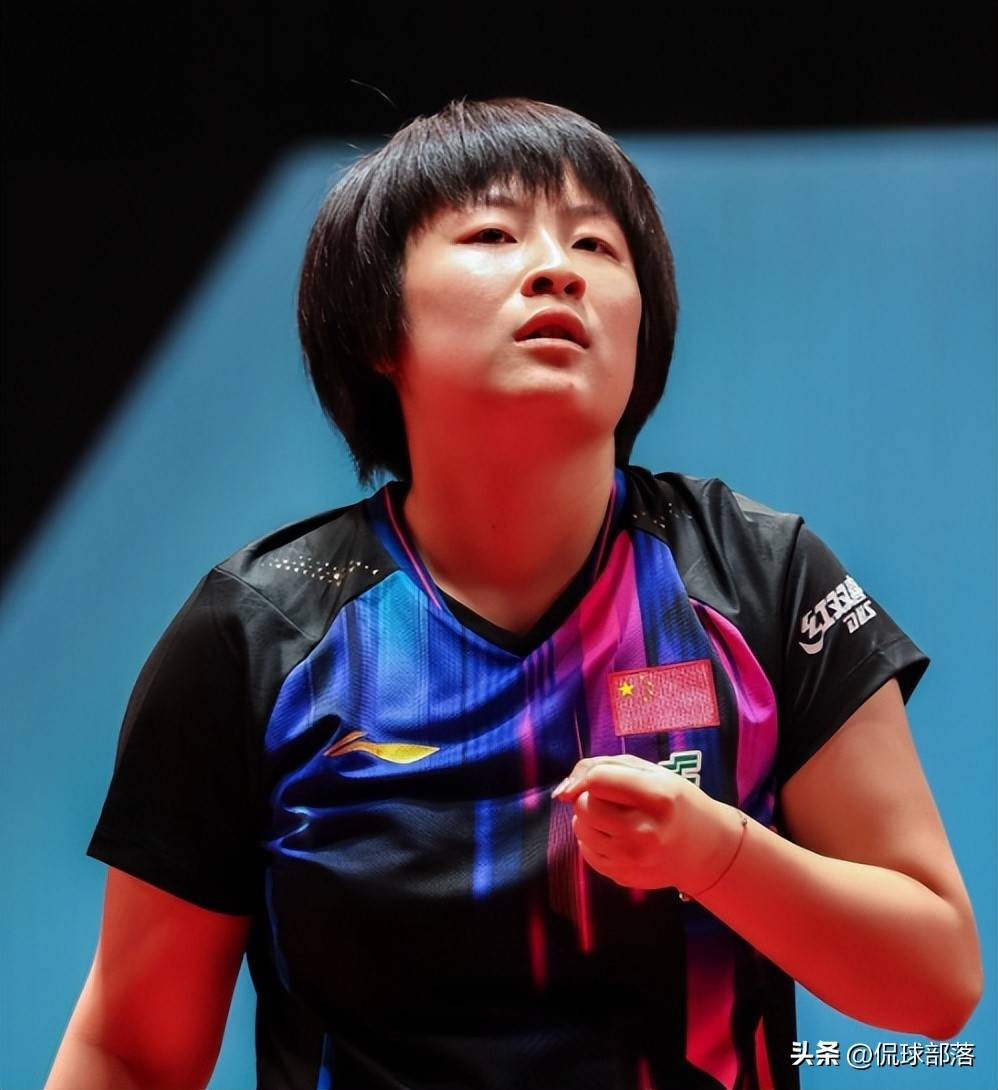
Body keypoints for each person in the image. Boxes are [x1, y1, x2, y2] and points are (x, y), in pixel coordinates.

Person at [47, 97, 982, 1090]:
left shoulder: (760, 577)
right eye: (492, 235)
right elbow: (131, 1054)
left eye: (595, 244)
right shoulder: (261, 633)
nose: (557, 269)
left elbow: (935, 983)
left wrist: (718, 856)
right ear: (378, 326)